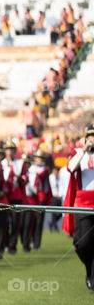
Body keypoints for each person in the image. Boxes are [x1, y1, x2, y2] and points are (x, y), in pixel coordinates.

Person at [62, 125, 94, 292]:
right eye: (91, 136)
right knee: (83, 243)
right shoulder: (78, 152)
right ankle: (89, 268)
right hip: (84, 201)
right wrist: (83, 150)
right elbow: (70, 168)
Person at [0, 141, 27, 255]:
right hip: (5, 196)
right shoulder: (1, 163)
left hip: (16, 194)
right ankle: (3, 244)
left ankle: (12, 245)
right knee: (4, 222)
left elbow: (25, 178)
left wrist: (18, 177)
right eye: (7, 149)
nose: (9, 151)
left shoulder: (20, 163)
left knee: (16, 222)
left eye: (11, 149)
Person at [23, 151, 51, 251]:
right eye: (37, 157)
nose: (39, 159)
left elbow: (41, 176)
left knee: (39, 222)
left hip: (41, 198)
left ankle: (36, 244)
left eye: (41, 158)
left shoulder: (44, 169)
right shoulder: (31, 169)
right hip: (31, 198)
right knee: (29, 221)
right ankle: (27, 242)